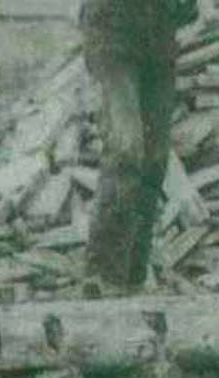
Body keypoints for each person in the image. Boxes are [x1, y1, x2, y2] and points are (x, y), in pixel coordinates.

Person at [82, 0, 188, 290]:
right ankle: (103, 274)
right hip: (113, 33)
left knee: (155, 158)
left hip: (158, 38)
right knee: (126, 149)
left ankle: (132, 277)